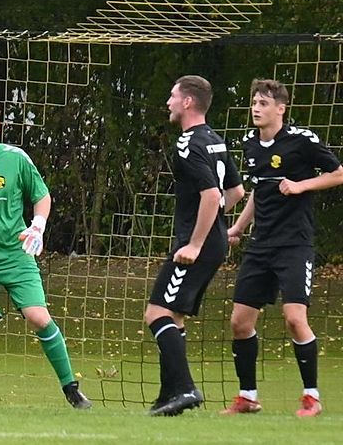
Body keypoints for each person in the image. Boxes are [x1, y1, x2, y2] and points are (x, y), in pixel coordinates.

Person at [0, 97, 91, 410]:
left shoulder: (17, 159)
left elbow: (42, 196)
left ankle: (71, 388)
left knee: (39, 317)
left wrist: (37, 226)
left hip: (16, 255)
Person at [223, 79, 343, 417]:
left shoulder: (302, 142)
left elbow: (338, 174)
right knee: (240, 323)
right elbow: (258, 193)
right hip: (261, 246)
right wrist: (237, 228)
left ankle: (312, 397)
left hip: (294, 245)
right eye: (254, 102)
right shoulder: (249, 144)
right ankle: (247, 397)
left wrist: (302, 184)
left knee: (294, 319)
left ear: (281, 108)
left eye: (263, 103)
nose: (256, 108)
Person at [144, 77, 243, 416]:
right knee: (175, 317)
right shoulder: (216, 140)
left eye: (172, 96)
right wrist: (216, 226)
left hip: (195, 244)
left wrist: (197, 242)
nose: (169, 101)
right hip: (213, 240)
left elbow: (213, 195)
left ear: (187, 102)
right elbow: (236, 193)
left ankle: (185, 389)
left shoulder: (187, 144)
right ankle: (168, 396)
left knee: (156, 313)